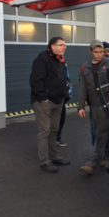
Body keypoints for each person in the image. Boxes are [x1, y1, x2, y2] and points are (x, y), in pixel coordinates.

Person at [78, 40, 109, 175]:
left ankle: (93, 161)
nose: (99, 55)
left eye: (101, 52)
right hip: (94, 106)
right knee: (101, 132)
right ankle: (105, 157)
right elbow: (83, 88)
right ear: (90, 52)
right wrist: (80, 106)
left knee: (102, 132)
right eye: (96, 52)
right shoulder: (84, 68)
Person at [30, 37, 71, 173]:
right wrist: (43, 98)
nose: (64, 47)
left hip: (58, 101)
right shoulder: (42, 60)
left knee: (54, 130)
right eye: (61, 45)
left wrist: (65, 96)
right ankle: (44, 161)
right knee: (44, 131)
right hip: (45, 103)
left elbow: (63, 79)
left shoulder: (59, 60)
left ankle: (54, 156)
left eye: (65, 45)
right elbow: (36, 80)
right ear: (52, 46)